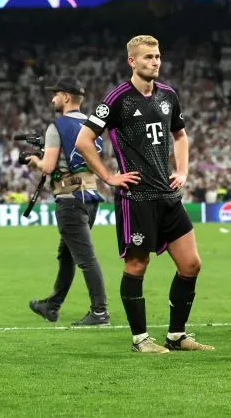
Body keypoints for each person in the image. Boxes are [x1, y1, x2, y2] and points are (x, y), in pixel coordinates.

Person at [76, 35, 213, 353]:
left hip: (167, 195)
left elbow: (180, 135)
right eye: (148, 57)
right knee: (137, 267)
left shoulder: (168, 95)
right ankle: (140, 339)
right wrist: (109, 176)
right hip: (136, 198)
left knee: (191, 264)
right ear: (132, 62)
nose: (155, 61)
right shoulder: (117, 99)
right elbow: (84, 141)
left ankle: (176, 336)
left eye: (158, 56)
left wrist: (182, 170)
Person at [26, 78, 110, 326]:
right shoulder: (92, 125)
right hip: (91, 197)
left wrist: (35, 161)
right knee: (67, 256)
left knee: (85, 257)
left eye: (55, 95)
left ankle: (99, 311)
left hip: (69, 200)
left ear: (65, 97)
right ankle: (51, 306)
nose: (52, 99)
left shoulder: (57, 126)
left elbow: (49, 166)